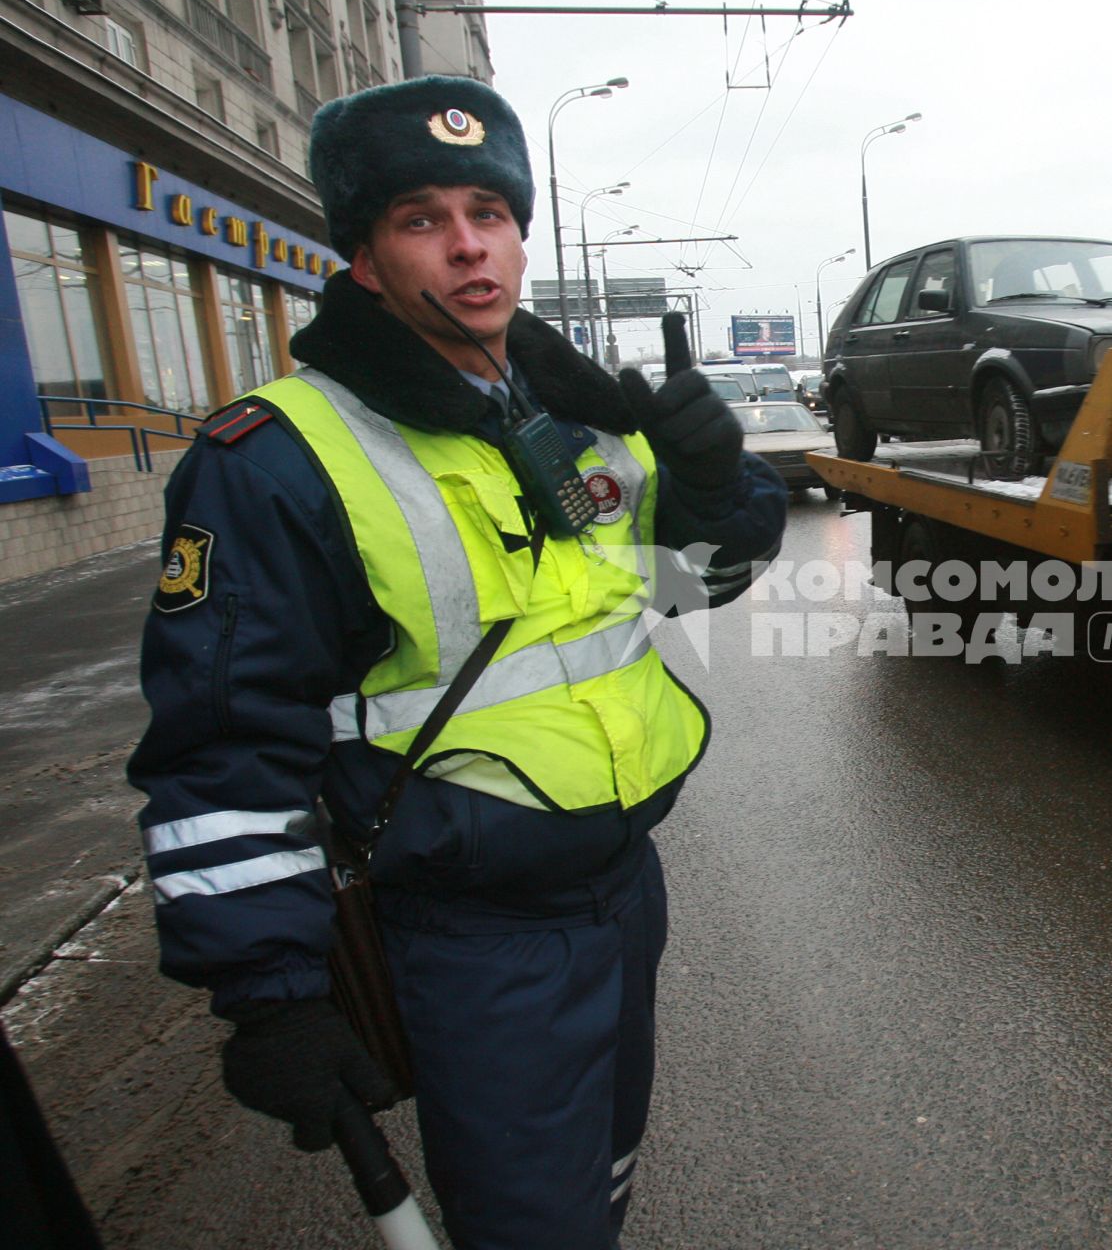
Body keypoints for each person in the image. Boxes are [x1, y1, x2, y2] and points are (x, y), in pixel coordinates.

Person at [126, 76, 786, 1249]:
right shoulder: (278, 458)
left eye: (488, 211)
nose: (469, 246)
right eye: (422, 219)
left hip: (625, 891)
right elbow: (226, 745)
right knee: (530, 1227)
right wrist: (271, 995)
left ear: (521, 236)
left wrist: (716, 484)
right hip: (472, 937)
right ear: (366, 259)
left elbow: (693, 584)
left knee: (602, 1189)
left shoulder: (573, 414)